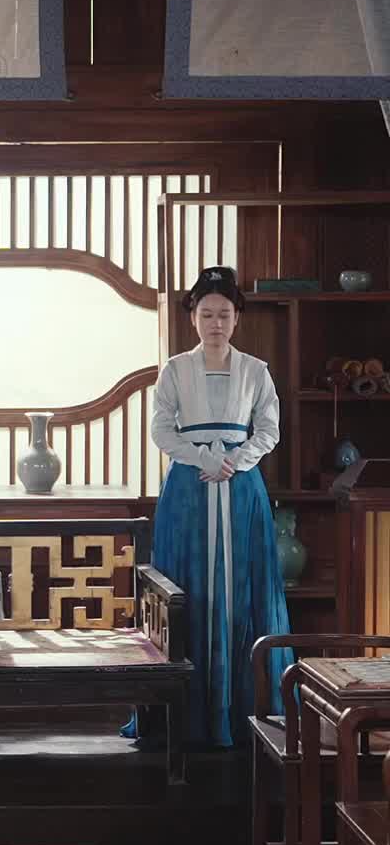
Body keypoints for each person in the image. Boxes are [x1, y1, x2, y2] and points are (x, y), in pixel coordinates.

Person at [149, 264, 291, 746]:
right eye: (206, 313)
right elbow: (161, 429)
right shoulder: (174, 369)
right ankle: (186, 710)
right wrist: (202, 458)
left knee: (244, 584)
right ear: (193, 317)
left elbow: (269, 429)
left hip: (242, 484)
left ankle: (247, 708)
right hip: (188, 486)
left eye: (224, 314)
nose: (215, 323)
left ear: (237, 318)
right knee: (187, 585)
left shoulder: (256, 370)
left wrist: (235, 460)